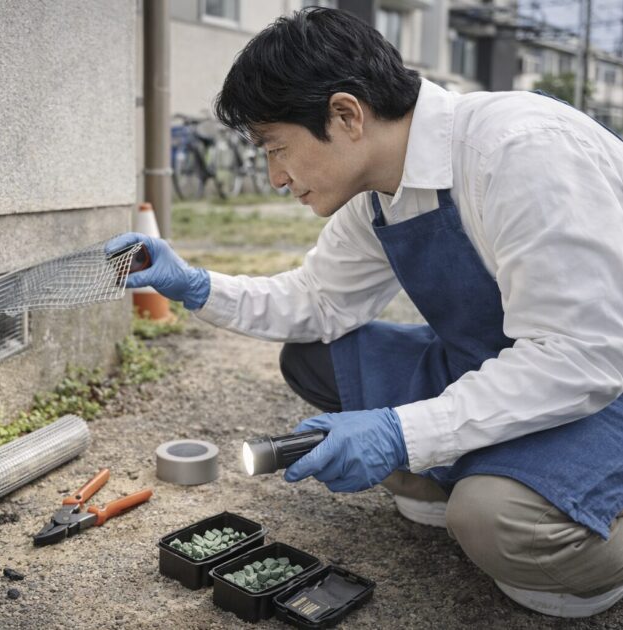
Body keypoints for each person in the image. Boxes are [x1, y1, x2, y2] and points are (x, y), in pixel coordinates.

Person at [108, 7, 623, 619]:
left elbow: (580, 356)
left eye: (276, 148)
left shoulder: (519, 151)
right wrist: (194, 285)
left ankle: (585, 538)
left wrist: (398, 433)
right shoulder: (378, 189)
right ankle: (460, 471)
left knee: (491, 517)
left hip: (598, 383)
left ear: (346, 114)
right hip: (500, 366)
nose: (275, 177)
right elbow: (318, 302)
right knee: (317, 356)